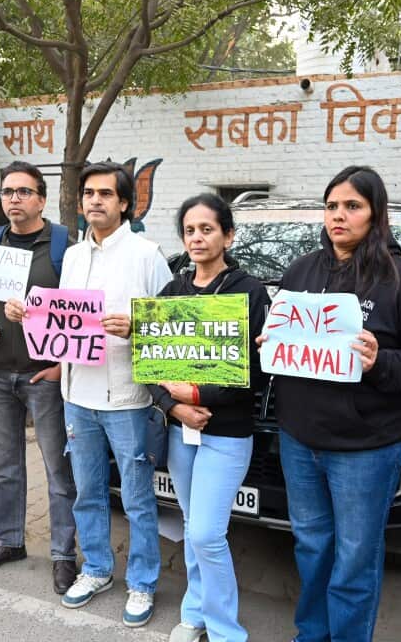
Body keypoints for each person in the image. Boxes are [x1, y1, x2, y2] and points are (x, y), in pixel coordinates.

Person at [264, 165, 401, 641]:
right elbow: (284, 343)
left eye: (352, 206)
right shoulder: (300, 269)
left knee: (354, 559)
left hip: (366, 450)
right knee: (311, 548)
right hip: (299, 440)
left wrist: (379, 362)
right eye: (332, 206)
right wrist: (270, 340)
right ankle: (311, 634)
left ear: (375, 213)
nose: (339, 216)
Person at [6, 161, 173, 627]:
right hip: (78, 395)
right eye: (88, 194)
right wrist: (29, 315)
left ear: (124, 203)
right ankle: (97, 568)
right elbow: (64, 321)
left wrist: (140, 326)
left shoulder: (147, 254)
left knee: (138, 499)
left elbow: (174, 328)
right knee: (87, 492)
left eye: (105, 193)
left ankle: (142, 582)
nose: (95, 201)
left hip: (128, 399)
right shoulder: (75, 256)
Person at [148, 194, 269, 642]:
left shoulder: (249, 291)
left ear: (228, 235)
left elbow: (255, 373)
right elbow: (150, 366)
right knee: (193, 525)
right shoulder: (174, 291)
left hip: (229, 434)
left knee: (205, 533)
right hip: (182, 433)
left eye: (207, 229)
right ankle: (195, 609)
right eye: (190, 230)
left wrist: (199, 392)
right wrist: (175, 406)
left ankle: (225, 630)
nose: (197, 237)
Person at [0, 162, 78, 594]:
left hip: (43, 376)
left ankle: (63, 554)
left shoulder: (64, 246)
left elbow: (80, 310)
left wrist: (61, 364)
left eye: (23, 192)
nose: (14, 198)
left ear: (41, 199)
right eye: (7, 191)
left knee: (58, 470)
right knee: (4, 467)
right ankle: (9, 542)